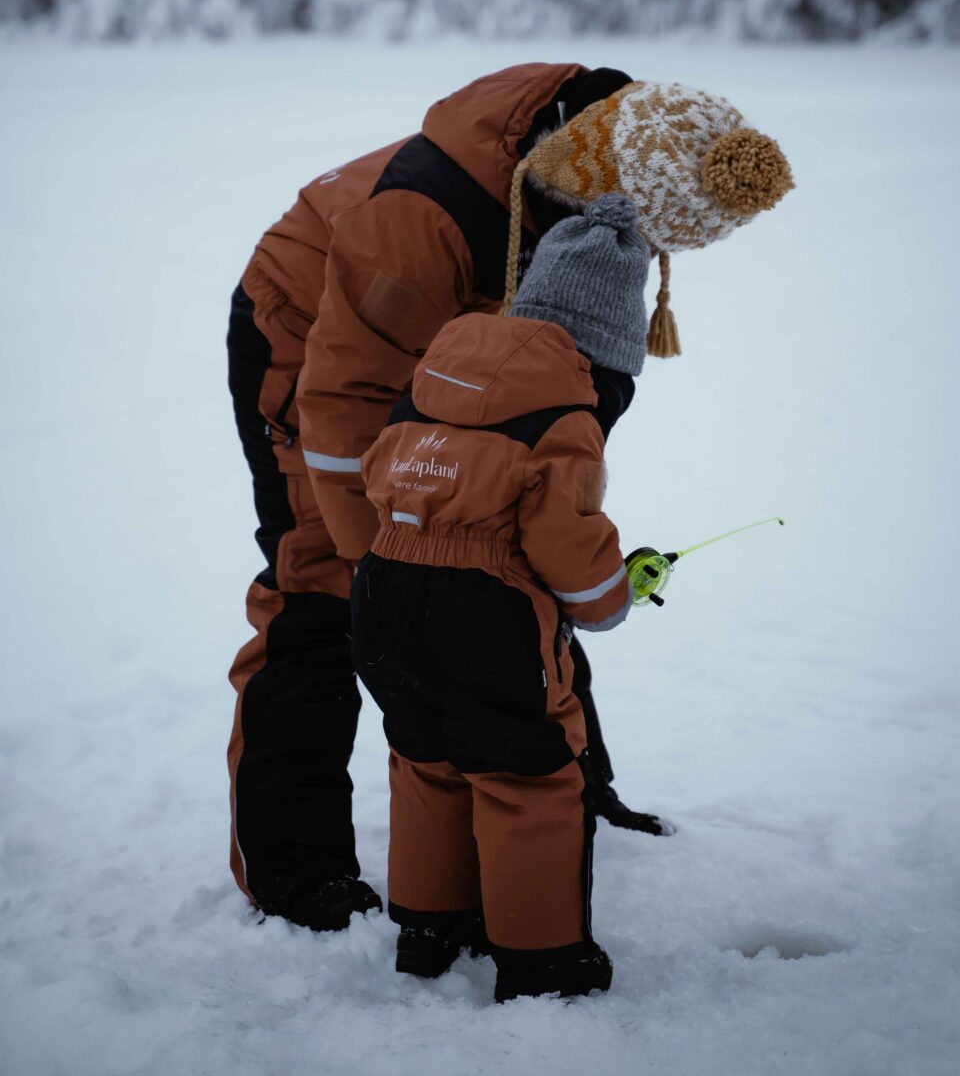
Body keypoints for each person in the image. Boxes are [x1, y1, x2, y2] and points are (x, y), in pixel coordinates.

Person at [226, 65, 794, 933]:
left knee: (507, 558)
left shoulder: (626, 155)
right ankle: (295, 867)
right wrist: (382, 569)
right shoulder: (426, 215)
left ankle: (571, 785)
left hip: (456, 342)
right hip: (309, 329)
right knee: (323, 588)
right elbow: (340, 403)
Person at [353, 192, 649, 1001]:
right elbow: (567, 547)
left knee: (428, 756)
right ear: (604, 347)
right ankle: (544, 961)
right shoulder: (567, 409)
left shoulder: (440, 375)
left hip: (382, 587)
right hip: (483, 612)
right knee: (527, 775)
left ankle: (428, 924)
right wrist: (611, 597)